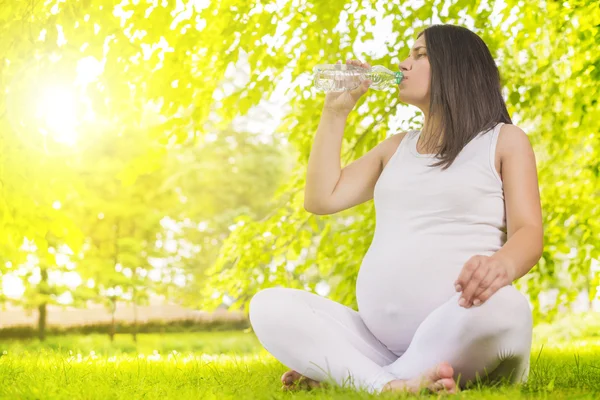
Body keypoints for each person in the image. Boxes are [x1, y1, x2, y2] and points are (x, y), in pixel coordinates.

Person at [248, 24, 544, 395]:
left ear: (457, 67)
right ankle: (391, 383)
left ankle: (362, 375)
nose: (404, 64)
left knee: (507, 306)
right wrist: (335, 112)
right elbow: (321, 198)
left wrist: (501, 266)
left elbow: (529, 232)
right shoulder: (395, 148)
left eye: (420, 55)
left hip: (467, 322)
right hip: (378, 341)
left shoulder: (503, 140)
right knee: (269, 305)